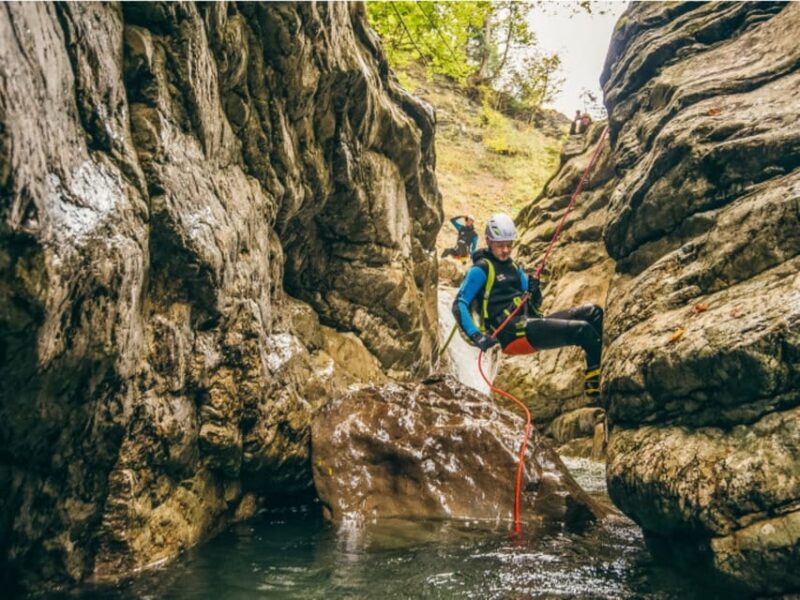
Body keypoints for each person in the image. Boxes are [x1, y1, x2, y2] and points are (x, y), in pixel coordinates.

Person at [452, 212, 603, 402]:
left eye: (509, 245)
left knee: (594, 313)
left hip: (527, 324)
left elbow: (534, 303)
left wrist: (535, 291)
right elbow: (459, 304)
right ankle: (595, 392)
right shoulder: (481, 269)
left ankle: (597, 373)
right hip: (509, 333)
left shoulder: (514, 268)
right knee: (583, 331)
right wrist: (476, 335)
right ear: (489, 241)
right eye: (500, 245)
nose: (506, 250)